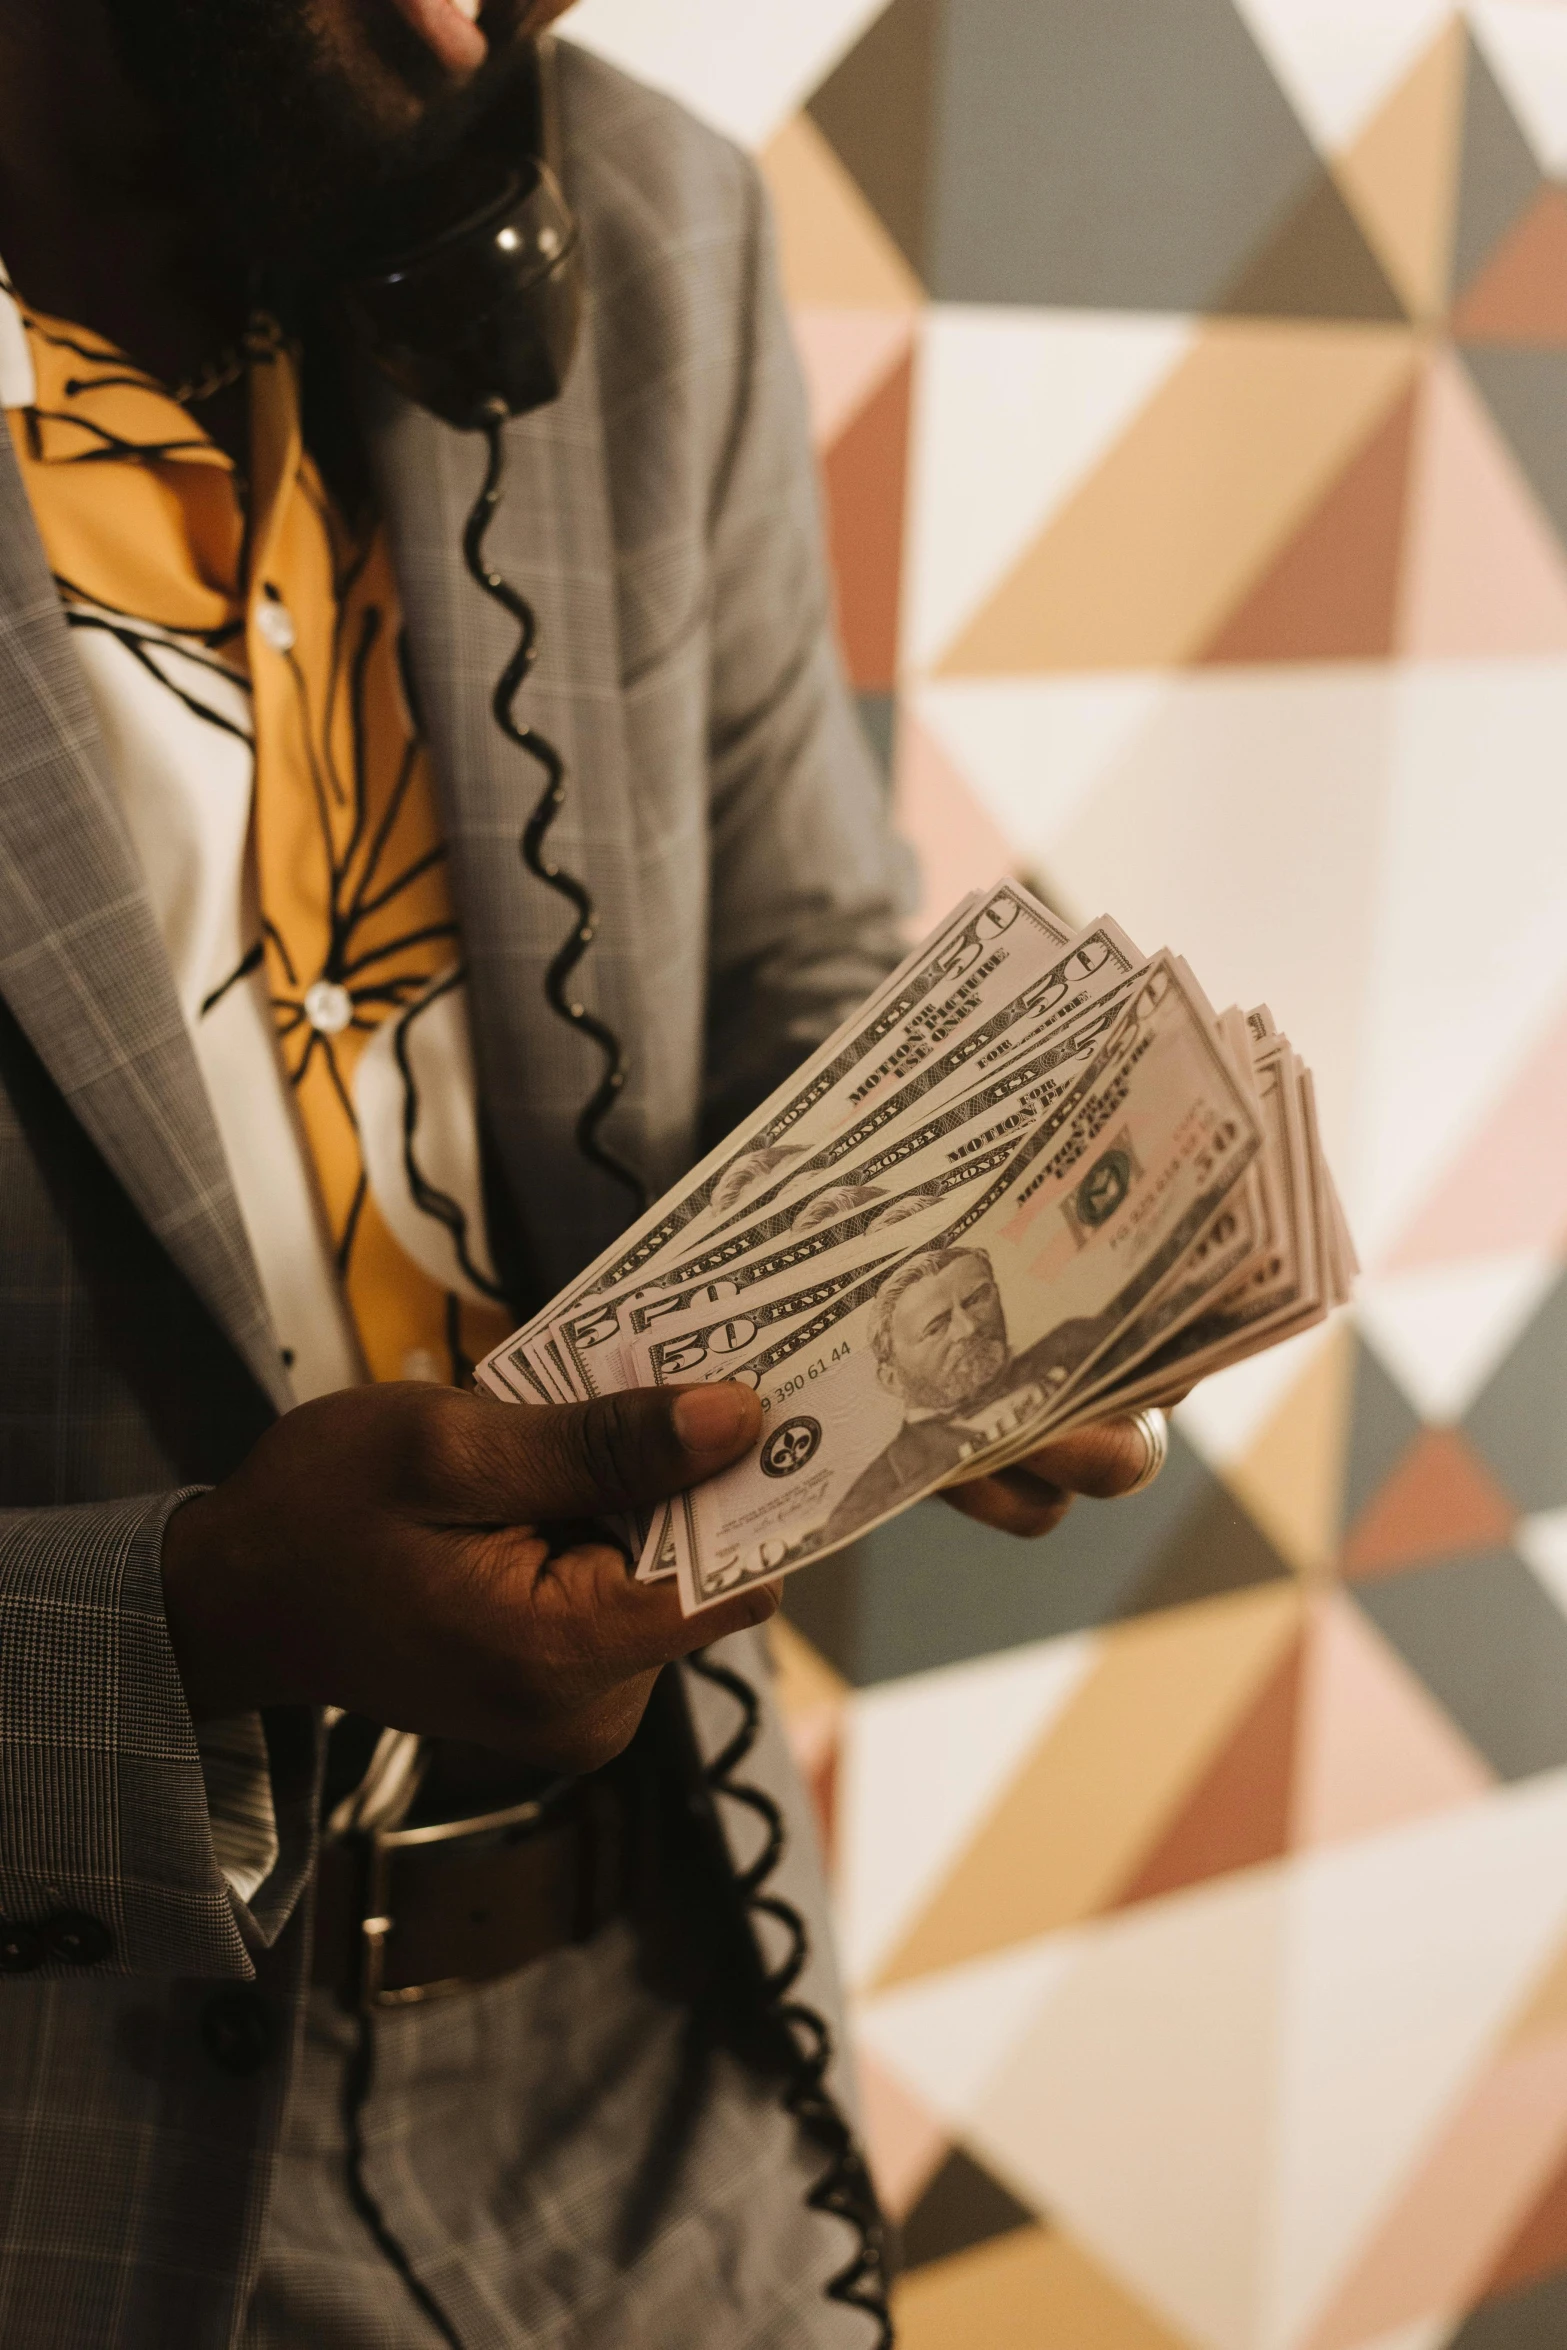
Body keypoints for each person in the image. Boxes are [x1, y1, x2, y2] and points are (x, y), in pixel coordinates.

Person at [0, 4, 1160, 2344]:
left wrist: (973, 1238)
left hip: (663, 2039)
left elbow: (786, 949)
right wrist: (195, 1615)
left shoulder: (643, 219)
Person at [819, 1248, 1109, 1546]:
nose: (968, 1328)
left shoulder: (1078, 1338)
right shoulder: (864, 1504)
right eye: (936, 1327)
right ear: (892, 1379)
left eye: (977, 1299)